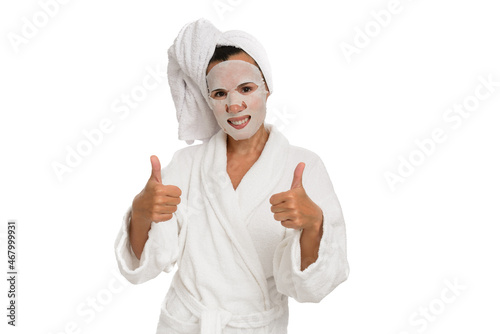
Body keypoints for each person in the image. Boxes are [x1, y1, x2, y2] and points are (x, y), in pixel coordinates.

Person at [114, 18, 349, 334]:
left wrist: (314, 225)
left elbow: (312, 289)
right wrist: (141, 215)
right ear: (209, 100)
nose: (234, 104)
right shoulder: (185, 165)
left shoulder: (303, 166)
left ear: (267, 88)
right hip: (188, 324)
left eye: (246, 88)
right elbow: (144, 269)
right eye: (220, 93)